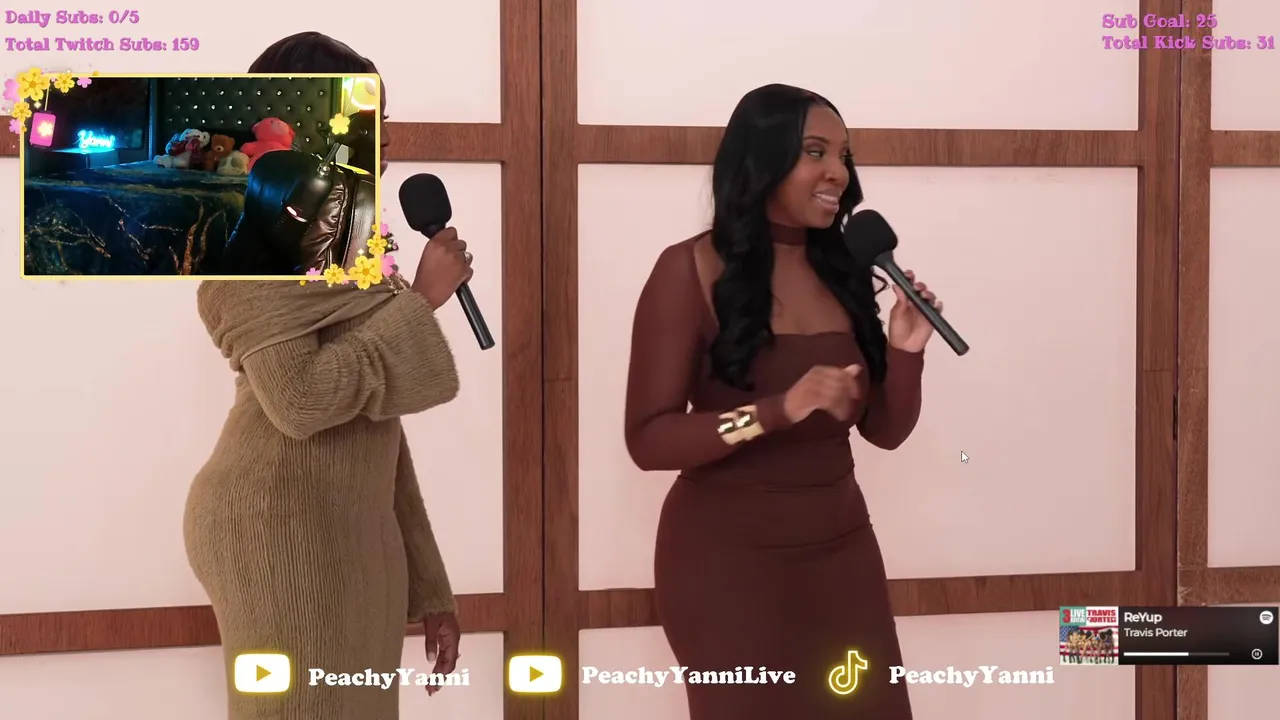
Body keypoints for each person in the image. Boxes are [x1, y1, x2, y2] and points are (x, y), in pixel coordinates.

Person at [624, 83, 944, 720]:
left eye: (844, 156)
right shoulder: (687, 269)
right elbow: (649, 439)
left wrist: (905, 350)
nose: (838, 173)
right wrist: (775, 411)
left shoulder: (846, 271)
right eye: (815, 152)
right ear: (762, 161)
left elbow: (884, 431)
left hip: (843, 551)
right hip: (726, 563)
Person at [185, 32, 471, 719]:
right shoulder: (250, 258)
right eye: (368, 118)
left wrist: (430, 586)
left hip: (353, 524)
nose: (387, 136)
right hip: (274, 522)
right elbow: (302, 401)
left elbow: (378, 422)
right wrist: (421, 302)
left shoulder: (350, 249)